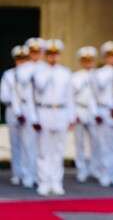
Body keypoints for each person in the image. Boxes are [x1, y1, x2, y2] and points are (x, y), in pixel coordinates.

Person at [31, 39, 74, 196]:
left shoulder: (65, 72)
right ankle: (44, 182)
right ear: (45, 55)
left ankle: (56, 182)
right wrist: (34, 118)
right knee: (44, 149)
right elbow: (34, 95)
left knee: (58, 150)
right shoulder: (39, 72)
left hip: (61, 112)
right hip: (44, 111)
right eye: (50, 54)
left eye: (56, 54)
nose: (53, 57)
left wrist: (71, 117)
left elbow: (70, 97)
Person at [93, 40, 113, 187]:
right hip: (104, 109)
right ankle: (105, 172)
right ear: (105, 57)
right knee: (104, 145)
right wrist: (96, 113)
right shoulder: (99, 73)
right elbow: (94, 95)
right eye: (110, 56)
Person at [0, 45, 29, 186]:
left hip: (28, 109)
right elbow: (4, 96)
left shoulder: (33, 73)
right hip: (12, 110)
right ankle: (17, 173)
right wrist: (16, 100)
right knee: (15, 143)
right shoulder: (9, 75)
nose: (21, 61)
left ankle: (29, 173)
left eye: (24, 59)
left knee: (29, 143)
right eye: (19, 59)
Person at [15, 40, 41, 188]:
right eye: (32, 51)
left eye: (37, 51)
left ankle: (40, 175)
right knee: (27, 144)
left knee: (42, 146)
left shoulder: (46, 68)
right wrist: (18, 111)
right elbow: (16, 93)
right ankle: (27, 175)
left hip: (43, 109)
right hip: (27, 108)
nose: (35, 54)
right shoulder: (22, 69)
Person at [71, 46, 99, 183]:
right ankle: (81, 169)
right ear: (81, 61)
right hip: (80, 109)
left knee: (96, 142)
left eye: (90, 60)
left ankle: (95, 168)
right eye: (85, 60)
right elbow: (70, 96)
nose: (88, 63)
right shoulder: (75, 77)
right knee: (79, 142)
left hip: (94, 111)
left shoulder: (98, 75)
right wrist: (73, 114)